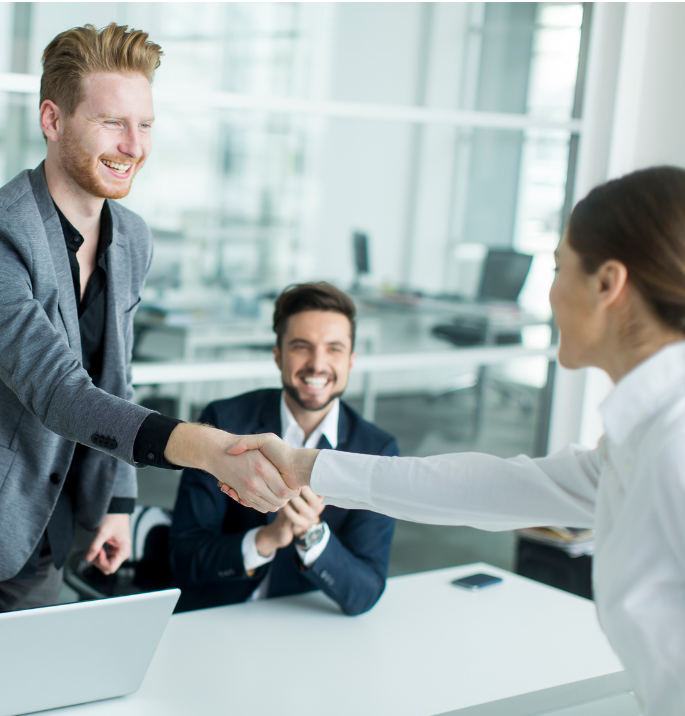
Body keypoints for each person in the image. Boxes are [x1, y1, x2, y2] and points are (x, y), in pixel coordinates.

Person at [0, 22, 296, 660]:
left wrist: (121, 500)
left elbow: (113, 376)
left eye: (146, 124)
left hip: (45, 520)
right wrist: (203, 449)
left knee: (31, 685)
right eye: (111, 123)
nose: (133, 146)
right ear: (52, 118)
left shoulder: (132, 238)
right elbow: (60, 393)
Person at [226, 166, 685, 714]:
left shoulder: (673, 444)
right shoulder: (641, 438)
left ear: (608, 284)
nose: (550, 291)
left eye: (559, 267)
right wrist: (306, 467)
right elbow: (487, 488)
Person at [170, 282, 397, 613]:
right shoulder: (222, 421)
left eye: (334, 349)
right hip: (217, 616)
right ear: (278, 356)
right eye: (301, 347)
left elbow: (364, 593)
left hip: (304, 625)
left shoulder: (376, 450)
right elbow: (182, 556)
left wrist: (312, 536)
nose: (317, 364)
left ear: (351, 361)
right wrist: (266, 539)